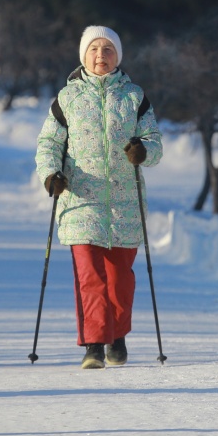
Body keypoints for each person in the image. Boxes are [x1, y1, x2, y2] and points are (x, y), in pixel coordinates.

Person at [35, 25, 163, 369]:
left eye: (108, 49)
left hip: (125, 204)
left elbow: (154, 141)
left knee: (120, 279)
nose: (100, 56)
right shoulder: (68, 98)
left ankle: (116, 335)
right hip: (81, 199)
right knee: (90, 276)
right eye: (94, 49)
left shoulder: (135, 97)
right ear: (83, 55)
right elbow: (49, 144)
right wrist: (52, 175)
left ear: (117, 56)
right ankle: (93, 344)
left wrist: (143, 151)